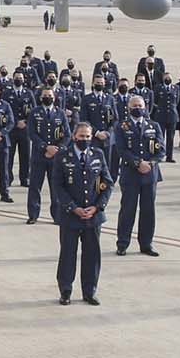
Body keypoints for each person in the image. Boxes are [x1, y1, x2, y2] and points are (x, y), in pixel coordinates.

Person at [51, 121, 112, 305]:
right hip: (71, 215)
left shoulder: (98, 154)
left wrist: (98, 206)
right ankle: (66, 291)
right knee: (68, 254)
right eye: (81, 136)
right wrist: (73, 207)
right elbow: (57, 185)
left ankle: (89, 291)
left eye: (87, 136)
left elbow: (106, 183)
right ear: (74, 137)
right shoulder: (63, 156)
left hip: (93, 216)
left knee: (92, 255)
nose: (84, 139)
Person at [111, 95, 163, 257]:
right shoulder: (121, 127)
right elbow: (121, 150)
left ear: (145, 107)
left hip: (150, 175)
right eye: (134, 106)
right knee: (128, 210)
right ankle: (122, 243)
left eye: (140, 105)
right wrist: (137, 163)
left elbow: (161, 150)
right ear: (128, 107)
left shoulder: (154, 126)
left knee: (148, 211)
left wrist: (150, 163)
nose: (137, 108)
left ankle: (146, 244)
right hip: (131, 174)